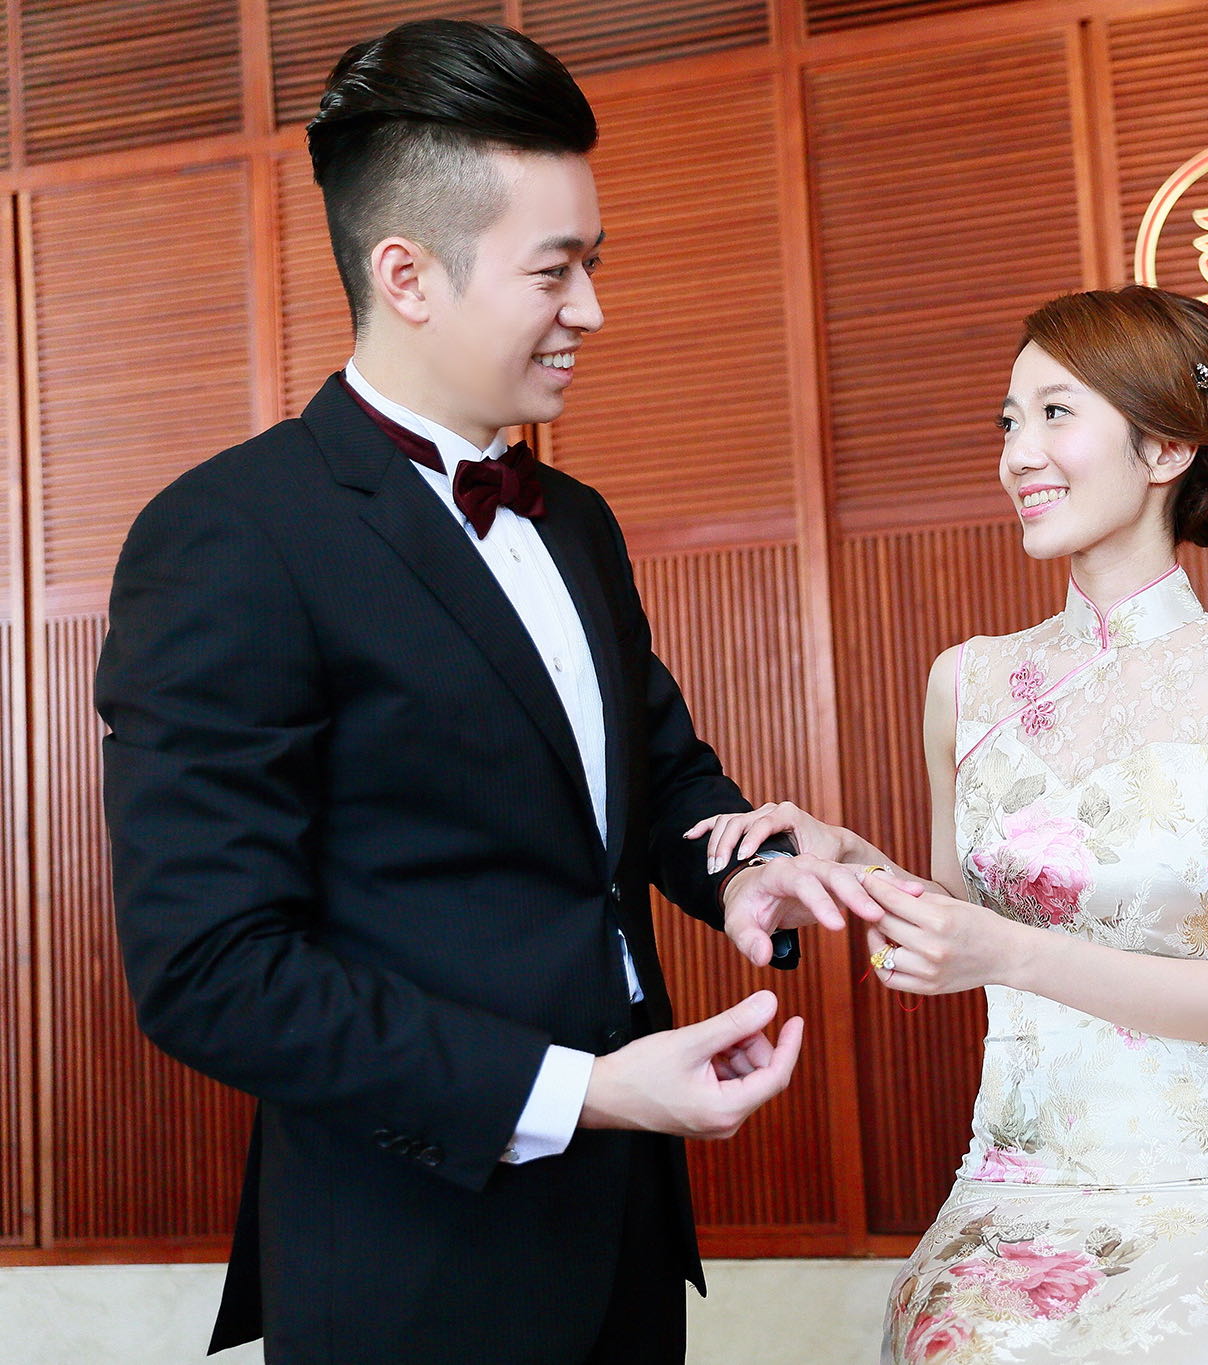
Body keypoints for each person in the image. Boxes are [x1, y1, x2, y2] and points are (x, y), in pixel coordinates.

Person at [96, 20, 888, 1363]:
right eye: (554, 270)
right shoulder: (231, 536)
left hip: (624, 1236)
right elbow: (210, 971)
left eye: (595, 264)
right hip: (409, 1262)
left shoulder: (573, 519)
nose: (592, 311)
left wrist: (745, 871)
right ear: (406, 273)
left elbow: (654, 777)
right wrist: (583, 1093)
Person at [695, 286, 1208, 1363]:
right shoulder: (966, 682)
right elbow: (957, 922)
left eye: (1056, 413)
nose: (1017, 453)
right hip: (1018, 1186)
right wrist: (850, 866)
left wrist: (1009, 953)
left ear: (1167, 448)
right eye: (1009, 420)